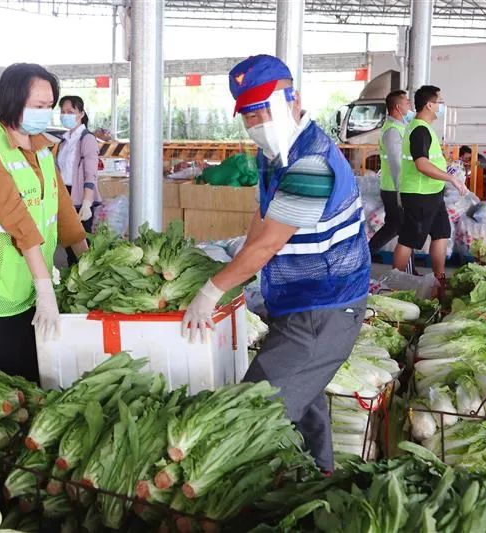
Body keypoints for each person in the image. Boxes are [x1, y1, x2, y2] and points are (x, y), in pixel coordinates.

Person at [181, 55, 371, 473]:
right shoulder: (279, 154)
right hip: (300, 304)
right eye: (248, 113)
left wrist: (210, 292)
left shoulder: (310, 162)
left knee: (255, 410)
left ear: (293, 99)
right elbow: (262, 219)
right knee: (305, 413)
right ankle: (316, 484)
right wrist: (240, 264)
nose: (257, 121)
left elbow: (266, 245)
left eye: (264, 107)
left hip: (324, 309)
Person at [0, 63, 89, 382]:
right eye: (39, 106)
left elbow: (62, 209)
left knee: (27, 386)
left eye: (49, 106)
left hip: (27, 286)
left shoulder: (41, 146)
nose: (46, 113)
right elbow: (18, 220)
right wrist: (46, 289)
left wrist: (88, 263)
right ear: (13, 101)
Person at [392, 86, 467, 294]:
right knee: (409, 238)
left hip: (432, 193)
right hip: (419, 194)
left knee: (441, 233)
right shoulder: (419, 130)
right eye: (439, 101)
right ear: (430, 105)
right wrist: (450, 177)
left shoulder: (425, 129)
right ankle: (394, 281)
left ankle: (439, 280)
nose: (442, 106)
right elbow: (421, 164)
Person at [55, 95, 101, 265]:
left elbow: (91, 173)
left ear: (81, 114)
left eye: (70, 111)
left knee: (81, 245)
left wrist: (87, 203)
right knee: (68, 242)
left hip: (80, 197)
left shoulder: (86, 139)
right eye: (63, 112)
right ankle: (71, 281)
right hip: (65, 195)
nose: (65, 115)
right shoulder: (64, 140)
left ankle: (84, 281)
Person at [369, 90, 413, 256]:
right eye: (407, 103)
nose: (410, 106)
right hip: (394, 188)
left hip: (397, 187)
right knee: (397, 227)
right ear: (397, 107)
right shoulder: (393, 131)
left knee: (401, 227)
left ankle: (407, 268)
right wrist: (402, 190)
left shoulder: (401, 128)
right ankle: (364, 255)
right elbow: (396, 163)